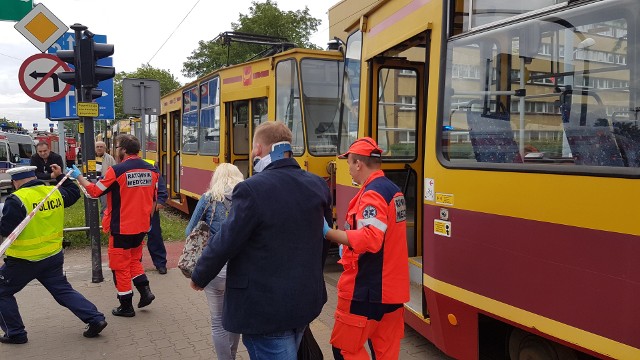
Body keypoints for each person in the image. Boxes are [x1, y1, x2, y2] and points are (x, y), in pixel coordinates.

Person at [190, 121, 332, 360]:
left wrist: (200, 274)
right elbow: (323, 238)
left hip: (266, 308)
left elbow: (227, 240)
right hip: (305, 300)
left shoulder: (251, 189)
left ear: (258, 149)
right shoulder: (317, 184)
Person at [323, 137, 410, 360]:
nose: (349, 170)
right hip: (392, 292)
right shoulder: (393, 190)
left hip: (366, 290)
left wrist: (328, 233)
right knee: (386, 354)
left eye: (349, 164)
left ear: (358, 164)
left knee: (345, 348)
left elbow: (371, 239)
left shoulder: (373, 193)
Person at [0, 165, 107, 344]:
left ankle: (15, 333)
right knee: (63, 290)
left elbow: (5, 228)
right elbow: (73, 192)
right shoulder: (54, 192)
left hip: (24, 261)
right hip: (52, 256)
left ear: (15, 181)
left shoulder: (17, 199)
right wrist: (60, 176)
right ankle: (95, 318)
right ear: (33, 176)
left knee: (2, 292)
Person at [72, 134, 160, 318]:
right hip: (142, 225)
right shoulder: (152, 170)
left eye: (118, 147)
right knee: (134, 260)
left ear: (124, 151)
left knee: (120, 266)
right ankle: (145, 292)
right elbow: (154, 198)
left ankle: (126, 306)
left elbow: (95, 191)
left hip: (122, 227)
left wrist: (79, 176)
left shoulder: (117, 170)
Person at [186, 163, 243, 359]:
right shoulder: (246, 199)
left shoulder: (209, 198)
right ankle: (233, 354)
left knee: (218, 322)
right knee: (233, 317)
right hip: (240, 269)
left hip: (214, 269)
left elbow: (190, 231)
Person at [145, 161, 168, 275]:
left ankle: (160, 263)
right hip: (133, 209)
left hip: (151, 207)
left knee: (155, 235)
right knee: (133, 238)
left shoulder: (150, 164)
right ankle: (134, 266)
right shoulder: (122, 166)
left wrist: (161, 199)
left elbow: (160, 184)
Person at [95, 141, 116, 218]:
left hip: (104, 185)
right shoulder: (90, 157)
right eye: (97, 147)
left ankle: (104, 222)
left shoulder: (110, 158)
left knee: (105, 205)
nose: (99, 148)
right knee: (92, 204)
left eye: (101, 147)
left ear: (105, 148)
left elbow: (114, 171)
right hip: (93, 183)